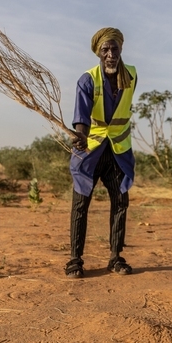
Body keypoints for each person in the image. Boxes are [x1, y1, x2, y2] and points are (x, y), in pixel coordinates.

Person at [65, 27, 137, 278]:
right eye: (105, 49)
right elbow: (81, 116)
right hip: (91, 151)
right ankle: (75, 260)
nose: (110, 54)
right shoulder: (88, 80)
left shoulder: (131, 75)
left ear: (121, 49)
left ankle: (115, 258)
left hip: (118, 150)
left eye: (114, 48)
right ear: (98, 52)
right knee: (80, 204)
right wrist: (80, 136)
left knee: (120, 203)